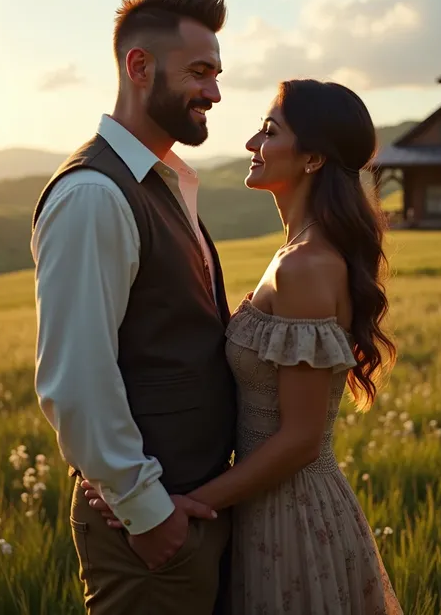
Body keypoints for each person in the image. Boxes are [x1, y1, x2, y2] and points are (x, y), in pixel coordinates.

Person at [85, 79, 404, 614]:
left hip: (293, 512)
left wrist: (183, 506)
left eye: (270, 131)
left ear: (313, 159)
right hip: (260, 502)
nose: (252, 144)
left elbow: (301, 439)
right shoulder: (296, 255)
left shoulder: (305, 267)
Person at [31, 0, 237, 615]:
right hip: (149, 535)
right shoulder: (94, 194)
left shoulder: (162, 183)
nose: (216, 93)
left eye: (217, 73)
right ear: (139, 66)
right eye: (199, 72)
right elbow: (76, 380)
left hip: (191, 512)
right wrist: (147, 513)